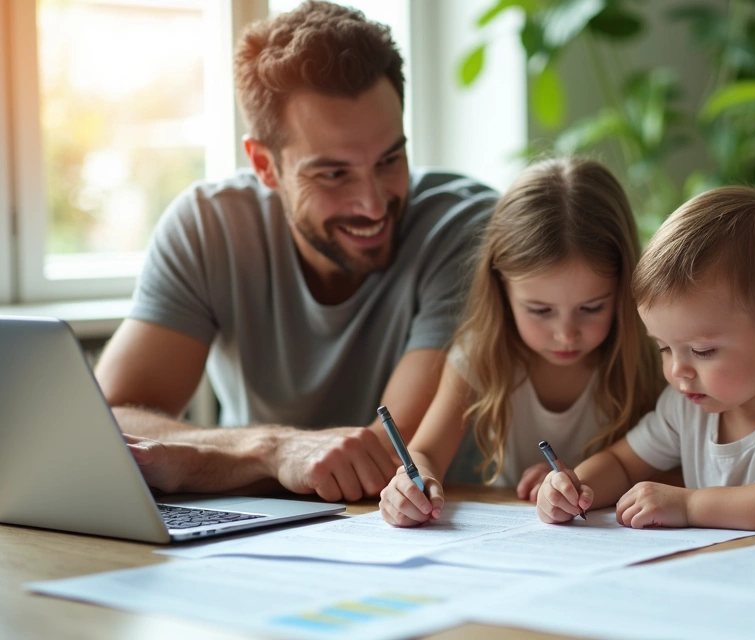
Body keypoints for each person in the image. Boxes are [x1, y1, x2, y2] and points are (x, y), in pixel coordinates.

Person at [95, 1, 495, 502]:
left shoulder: (465, 231)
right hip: (258, 526)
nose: (373, 204)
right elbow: (106, 421)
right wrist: (272, 449)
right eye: (333, 173)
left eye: (390, 159)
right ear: (265, 165)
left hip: (424, 523)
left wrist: (208, 463)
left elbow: (391, 456)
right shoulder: (209, 228)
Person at [537, 186, 755, 531]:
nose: (678, 370)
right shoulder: (686, 405)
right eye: (664, 348)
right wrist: (573, 488)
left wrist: (689, 504)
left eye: (702, 351)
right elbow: (622, 463)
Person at [378, 157, 666, 527]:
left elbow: (677, 468)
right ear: (502, 290)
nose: (566, 334)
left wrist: (578, 481)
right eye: (540, 310)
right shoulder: (479, 355)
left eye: (592, 308)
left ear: (624, 288)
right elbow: (427, 453)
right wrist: (410, 486)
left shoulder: (658, 357)